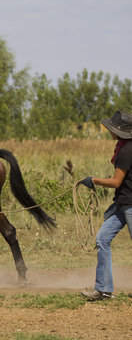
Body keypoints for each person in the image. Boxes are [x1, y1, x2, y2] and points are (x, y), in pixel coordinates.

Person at [79, 110, 132, 300]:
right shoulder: (124, 147)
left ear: (119, 130)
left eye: (112, 127)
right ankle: (103, 289)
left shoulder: (126, 151)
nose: (109, 130)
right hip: (123, 203)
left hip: (130, 205)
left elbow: (116, 182)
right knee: (102, 238)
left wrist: (94, 180)